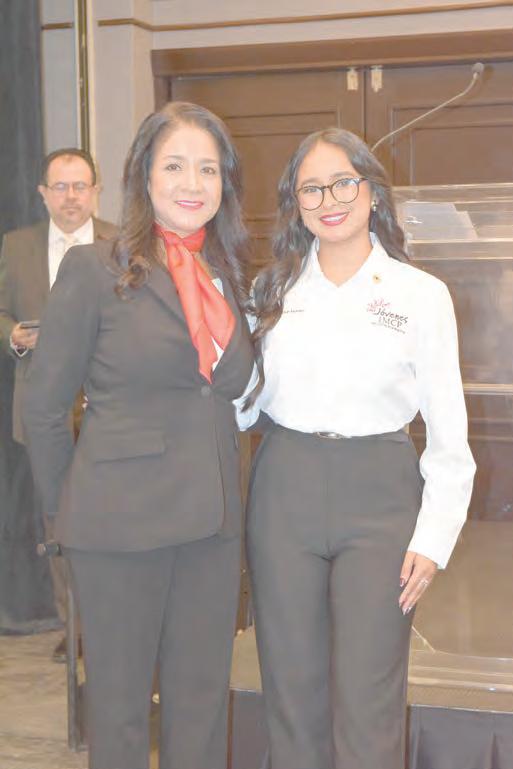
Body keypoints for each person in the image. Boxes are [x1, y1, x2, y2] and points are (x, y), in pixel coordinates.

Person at [22, 102, 254, 769]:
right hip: (118, 529)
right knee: (121, 713)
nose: (192, 183)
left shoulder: (225, 272)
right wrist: (65, 516)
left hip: (211, 525)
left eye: (207, 168)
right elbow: (44, 407)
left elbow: (228, 390)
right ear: (143, 176)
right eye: (174, 165)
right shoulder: (95, 268)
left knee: (201, 704)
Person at [238, 128, 476, 769]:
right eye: (311, 188)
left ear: (371, 191)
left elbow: (449, 433)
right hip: (285, 487)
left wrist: (434, 538)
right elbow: (244, 406)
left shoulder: (420, 294)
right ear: (295, 203)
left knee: (370, 695)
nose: (329, 200)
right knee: (290, 687)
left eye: (343, 182)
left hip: (380, 494)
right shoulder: (269, 291)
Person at [0, 148, 117, 654]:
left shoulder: (120, 243)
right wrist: (12, 335)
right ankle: (75, 633)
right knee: (57, 521)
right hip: (42, 409)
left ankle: (110, 625)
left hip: (107, 406)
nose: (71, 197)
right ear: (43, 193)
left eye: (80, 186)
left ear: (96, 191)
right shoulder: (16, 246)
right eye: (61, 187)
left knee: (108, 517)